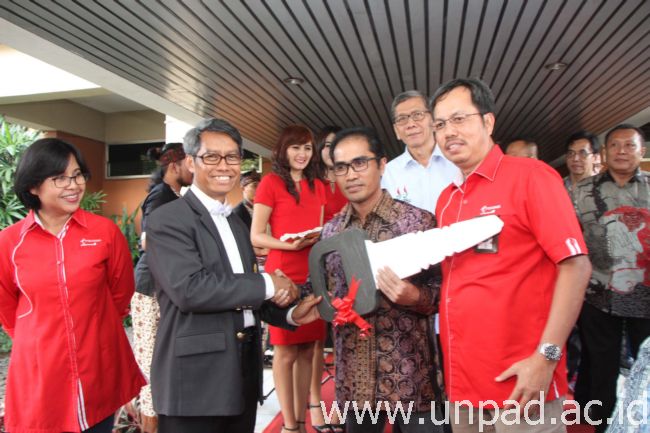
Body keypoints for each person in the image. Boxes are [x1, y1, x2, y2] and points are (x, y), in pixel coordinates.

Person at [431, 78, 592, 432]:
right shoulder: (447, 199)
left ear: (488, 122)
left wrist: (546, 357)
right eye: (439, 124)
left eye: (459, 119)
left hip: (523, 384)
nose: (448, 131)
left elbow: (576, 266)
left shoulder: (531, 176)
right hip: (463, 388)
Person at [146, 118, 321, 433]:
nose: (224, 166)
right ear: (191, 162)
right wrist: (269, 283)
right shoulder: (167, 219)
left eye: (232, 157)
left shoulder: (238, 223)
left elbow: (243, 294)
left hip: (242, 374)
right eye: (211, 157)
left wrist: (290, 314)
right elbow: (191, 290)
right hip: (196, 379)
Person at [0, 138, 146, 433]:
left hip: (98, 366)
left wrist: (92, 331)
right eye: (60, 178)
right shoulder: (9, 242)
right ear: (33, 186)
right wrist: (40, 340)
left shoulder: (104, 232)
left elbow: (120, 295)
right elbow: (7, 307)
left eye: (77, 175)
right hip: (41, 371)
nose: (74, 185)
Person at [321, 126, 443, 433]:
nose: (351, 175)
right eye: (341, 167)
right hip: (354, 379)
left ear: (382, 164)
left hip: (411, 376)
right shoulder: (332, 232)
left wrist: (416, 297)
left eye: (360, 163)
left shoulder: (417, 223)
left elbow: (445, 291)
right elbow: (325, 291)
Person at [572, 124, 649, 433]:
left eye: (629, 145)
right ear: (603, 153)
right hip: (598, 294)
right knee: (600, 366)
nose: (621, 151)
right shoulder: (580, 191)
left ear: (642, 151)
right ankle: (602, 426)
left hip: (646, 296)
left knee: (645, 368)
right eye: (614, 145)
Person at [251, 125, 327, 433]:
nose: (302, 153)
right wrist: (290, 245)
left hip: (313, 271)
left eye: (307, 148)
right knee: (284, 352)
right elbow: (256, 235)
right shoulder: (270, 183)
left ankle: (301, 420)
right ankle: (289, 425)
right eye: (296, 147)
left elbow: (321, 228)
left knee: (308, 349)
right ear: (283, 150)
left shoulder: (318, 185)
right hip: (283, 274)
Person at [131, 142, 192, 432]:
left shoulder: (175, 195)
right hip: (150, 288)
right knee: (150, 362)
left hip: (166, 286)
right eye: (189, 164)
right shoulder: (160, 195)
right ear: (174, 166)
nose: (194, 170)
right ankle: (150, 424)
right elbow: (147, 239)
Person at [308, 126, 347, 433]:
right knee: (315, 341)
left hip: (346, 266)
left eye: (337, 144)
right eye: (327, 145)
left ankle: (341, 408)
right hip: (317, 265)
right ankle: (314, 406)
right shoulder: (312, 184)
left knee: (345, 338)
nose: (331, 150)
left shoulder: (349, 179)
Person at [381, 90, 460, 213]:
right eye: (402, 119)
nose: (410, 124)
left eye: (417, 115)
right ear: (396, 130)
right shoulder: (387, 174)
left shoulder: (458, 160)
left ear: (433, 120)